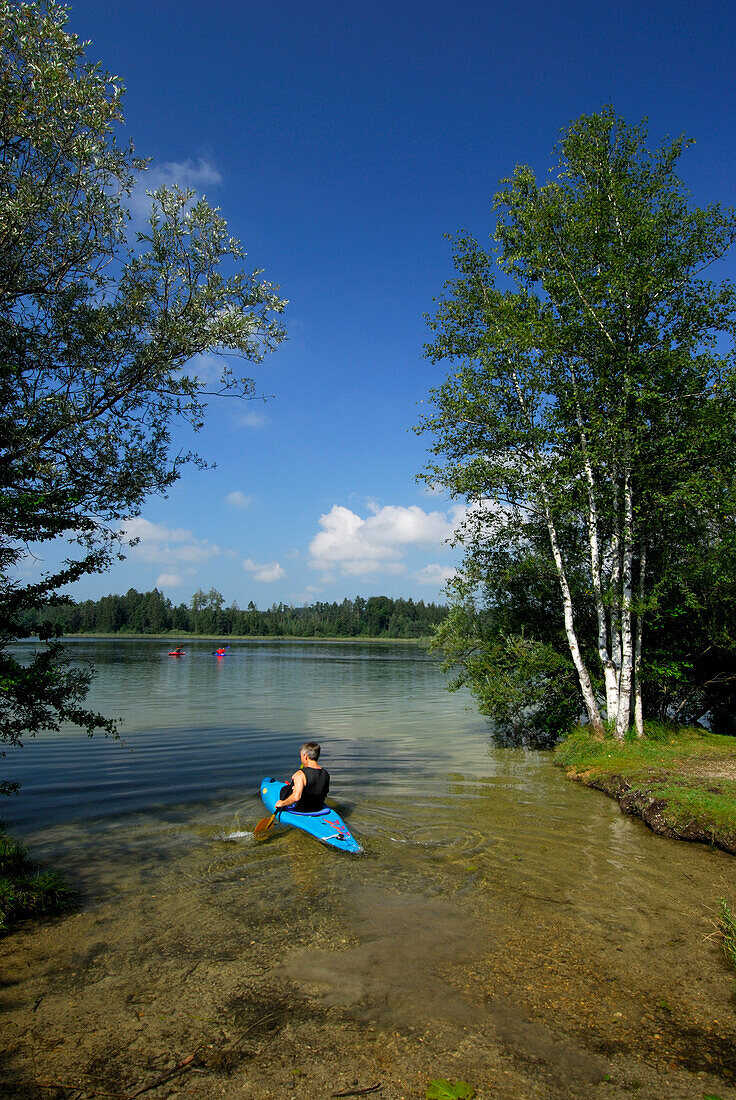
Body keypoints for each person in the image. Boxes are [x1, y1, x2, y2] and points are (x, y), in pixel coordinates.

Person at [275, 742, 330, 813]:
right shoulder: (325, 773)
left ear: (305, 756)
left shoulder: (300, 774)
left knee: (284, 790)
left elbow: (296, 797)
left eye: (301, 756)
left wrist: (282, 803)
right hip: (319, 808)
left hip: (302, 810)